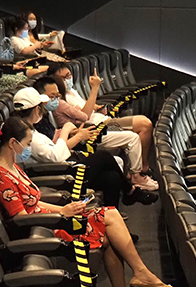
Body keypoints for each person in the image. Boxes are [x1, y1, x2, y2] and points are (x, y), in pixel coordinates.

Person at [0, 115, 171, 287]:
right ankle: (140, 274)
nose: (29, 148)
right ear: (13, 143)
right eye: (28, 144)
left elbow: (34, 202)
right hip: (44, 228)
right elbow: (21, 217)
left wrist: (66, 209)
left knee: (109, 226)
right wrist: (62, 214)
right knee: (109, 216)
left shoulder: (13, 167)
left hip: (53, 219)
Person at [9, 87, 156, 208]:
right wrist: (66, 131)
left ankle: (112, 228)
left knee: (112, 178)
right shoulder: (28, 135)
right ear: (36, 110)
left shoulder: (30, 130)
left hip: (66, 167)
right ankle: (130, 191)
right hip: (60, 175)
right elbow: (55, 156)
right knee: (104, 156)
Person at [33, 75, 158, 191]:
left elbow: (56, 134)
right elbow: (55, 154)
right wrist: (72, 132)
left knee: (114, 171)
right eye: (52, 96)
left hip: (83, 135)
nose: (55, 99)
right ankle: (134, 181)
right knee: (110, 153)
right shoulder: (31, 130)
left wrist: (73, 131)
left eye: (57, 96)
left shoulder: (46, 114)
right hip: (62, 165)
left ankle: (121, 199)